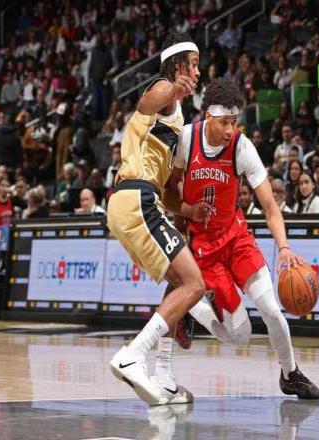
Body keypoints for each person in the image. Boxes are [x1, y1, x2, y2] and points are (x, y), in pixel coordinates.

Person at [154, 77, 319, 400]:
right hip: (204, 249)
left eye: (235, 122)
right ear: (208, 116)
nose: (231, 129)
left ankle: (290, 373)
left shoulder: (242, 148)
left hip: (236, 238)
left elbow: (270, 207)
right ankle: (193, 309)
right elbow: (168, 193)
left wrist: (284, 248)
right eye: (225, 122)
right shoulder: (186, 140)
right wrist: (187, 211)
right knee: (240, 336)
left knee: (271, 309)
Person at [106, 33, 207, 406]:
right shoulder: (164, 92)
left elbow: (168, 192)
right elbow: (146, 101)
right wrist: (172, 88)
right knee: (195, 284)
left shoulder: (176, 122)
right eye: (193, 64)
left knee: (180, 284)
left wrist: (190, 211)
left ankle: (164, 378)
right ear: (177, 64)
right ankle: (133, 355)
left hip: (135, 201)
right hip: (137, 198)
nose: (198, 71)